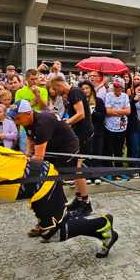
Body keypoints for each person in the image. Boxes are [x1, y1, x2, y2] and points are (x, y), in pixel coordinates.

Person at [0, 146, 118, 258]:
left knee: (52, 233)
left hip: (42, 183)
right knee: (56, 221)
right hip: (40, 179)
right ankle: (102, 231)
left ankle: (103, 224)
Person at [51, 76, 96, 210]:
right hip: (79, 132)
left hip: (84, 133)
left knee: (78, 170)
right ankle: (78, 199)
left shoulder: (74, 92)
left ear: (59, 85)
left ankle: (86, 203)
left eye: (54, 88)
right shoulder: (72, 93)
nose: (54, 92)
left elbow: (81, 114)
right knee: (75, 170)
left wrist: (66, 123)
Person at [103, 79, 130, 171]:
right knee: (109, 149)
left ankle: (119, 170)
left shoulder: (125, 96)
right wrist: (122, 112)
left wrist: (115, 111)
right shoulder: (109, 95)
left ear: (122, 88)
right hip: (109, 125)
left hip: (121, 126)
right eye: (114, 86)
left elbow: (128, 111)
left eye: (117, 86)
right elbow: (108, 111)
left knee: (119, 149)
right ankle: (109, 170)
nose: (114, 88)